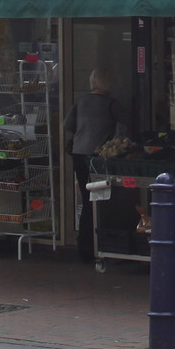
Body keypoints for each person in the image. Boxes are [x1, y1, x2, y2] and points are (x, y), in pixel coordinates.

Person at [63, 71, 127, 261]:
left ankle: (84, 245)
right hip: (98, 156)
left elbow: (68, 124)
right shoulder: (112, 104)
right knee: (101, 200)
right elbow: (125, 126)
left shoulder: (81, 101)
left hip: (78, 152)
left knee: (86, 197)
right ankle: (99, 245)